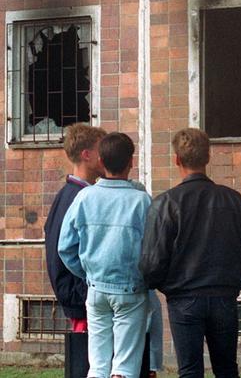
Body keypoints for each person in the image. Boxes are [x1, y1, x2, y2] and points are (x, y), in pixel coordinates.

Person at [139, 127, 241, 378]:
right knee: (227, 368)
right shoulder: (233, 200)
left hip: (183, 298)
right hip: (224, 295)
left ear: (176, 159)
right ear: (208, 157)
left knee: (189, 371)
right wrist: (236, 276)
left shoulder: (166, 203)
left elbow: (152, 264)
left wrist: (166, 285)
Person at [58, 132, 151, 378]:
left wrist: (87, 272)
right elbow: (154, 249)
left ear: (101, 160)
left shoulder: (84, 197)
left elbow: (65, 247)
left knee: (97, 365)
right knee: (125, 366)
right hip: (131, 289)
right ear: (131, 161)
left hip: (96, 288)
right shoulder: (142, 201)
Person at [44, 123, 106, 332]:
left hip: (80, 298)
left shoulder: (69, 194)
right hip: (82, 301)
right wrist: (85, 292)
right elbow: (62, 252)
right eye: (101, 150)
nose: (105, 156)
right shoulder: (77, 197)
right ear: (87, 155)